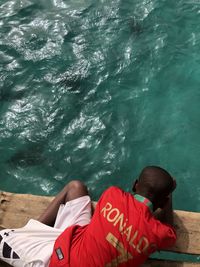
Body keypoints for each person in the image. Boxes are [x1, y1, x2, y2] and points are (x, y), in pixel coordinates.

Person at [0, 166, 177, 267]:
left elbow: (132, 211)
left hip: (56, 259)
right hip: (71, 243)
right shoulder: (160, 233)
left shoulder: (112, 195)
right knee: (76, 189)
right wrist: (166, 202)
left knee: (3, 238)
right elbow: (170, 231)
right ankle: (33, 232)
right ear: (163, 201)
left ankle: (30, 234)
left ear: (135, 184)